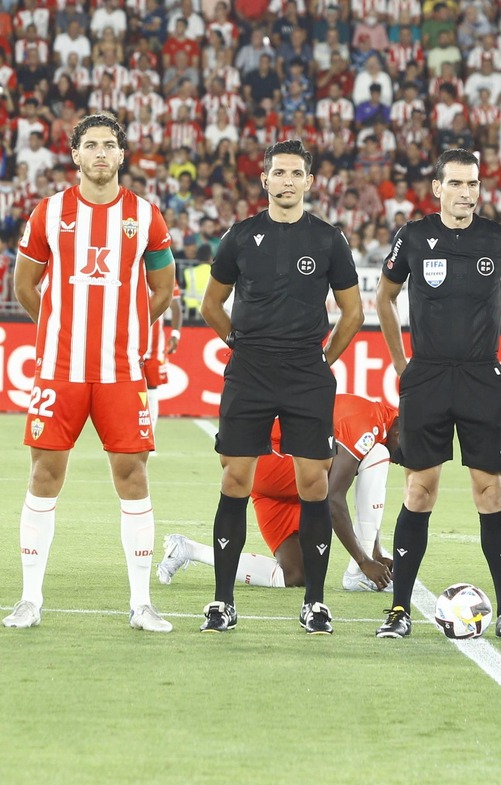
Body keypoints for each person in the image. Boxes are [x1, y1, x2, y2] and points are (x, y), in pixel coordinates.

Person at [6, 114, 177, 632]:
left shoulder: (145, 215)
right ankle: (29, 599)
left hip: (121, 372)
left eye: (109, 145)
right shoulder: (49, 212)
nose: (100, 153)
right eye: (91, 145)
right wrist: (60, 327)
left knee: (134, 476)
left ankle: (141, 604)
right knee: (44, 474)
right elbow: (25, 286)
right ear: (75, 154)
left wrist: (128, 330)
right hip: (60, 370)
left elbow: (162, 289)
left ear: (122, 155)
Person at [198, 139, 364, 635]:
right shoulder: (240, 236)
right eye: (278, 173)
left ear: (309, 182)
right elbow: (211, 304)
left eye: (295, 174)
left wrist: (322, 360)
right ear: (265, 179)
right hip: (249, 371)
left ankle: (315, 604)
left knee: (314, 484)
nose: (286, 181)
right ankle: (222, 603)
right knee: (235, 481)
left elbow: (353, 313)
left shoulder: (329, 239)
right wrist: (240, 344)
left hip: (305, 374)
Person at [372, 148, 501, 640]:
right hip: (428, 376)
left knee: (491, 493)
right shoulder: (413, 236)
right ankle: (399, 610)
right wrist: (402, 364)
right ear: (438, 188)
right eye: (458, 183)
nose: (467, 192)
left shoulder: (498, 238)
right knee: (418, 493)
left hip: (482, 377)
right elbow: (384, 297)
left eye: (473, 184)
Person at [157, 393, 399, 592]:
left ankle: (188, 549)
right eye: (409, 455)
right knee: (377, 455)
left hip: (279, 484)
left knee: (295, 574)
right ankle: (357, 575)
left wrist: (375, 552)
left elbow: (362, 493)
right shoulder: (367, 425)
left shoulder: (376, 420)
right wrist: (363, 560)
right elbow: (333, 499)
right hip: (277, 464)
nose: (405, 462)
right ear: (400, 433)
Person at [142, 279, 182, 428]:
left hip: (153, 348)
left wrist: (175, 334)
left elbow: (176, 306)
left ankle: (149, 434)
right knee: (125, 389)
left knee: (152, 389)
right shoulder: (127, 270)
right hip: (128, 345)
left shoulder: (164, 272)